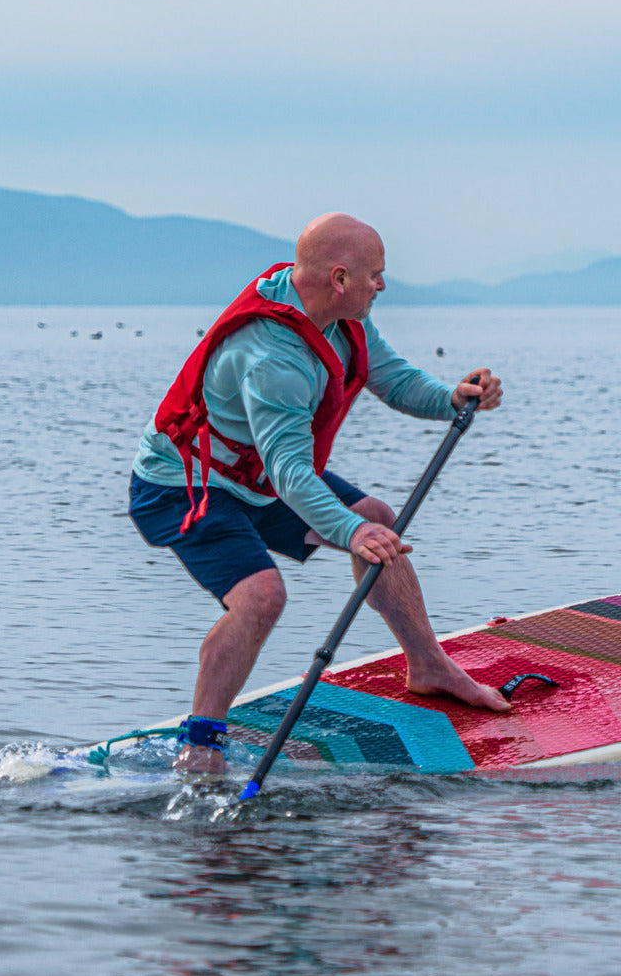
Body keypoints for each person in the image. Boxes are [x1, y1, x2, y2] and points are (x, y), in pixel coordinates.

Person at [129, 212, 510, 774]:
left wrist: (452, 397)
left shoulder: (341, 317)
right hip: (187, 485)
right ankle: (201, 746)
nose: (382, 285)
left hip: (258, 479)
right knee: (262, 595)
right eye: (375, 275)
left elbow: (392, 378)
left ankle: (429, 666)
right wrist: (353, 531)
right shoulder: (272, 359)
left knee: (378, 519)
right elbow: (289, 472)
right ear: (339, 278)